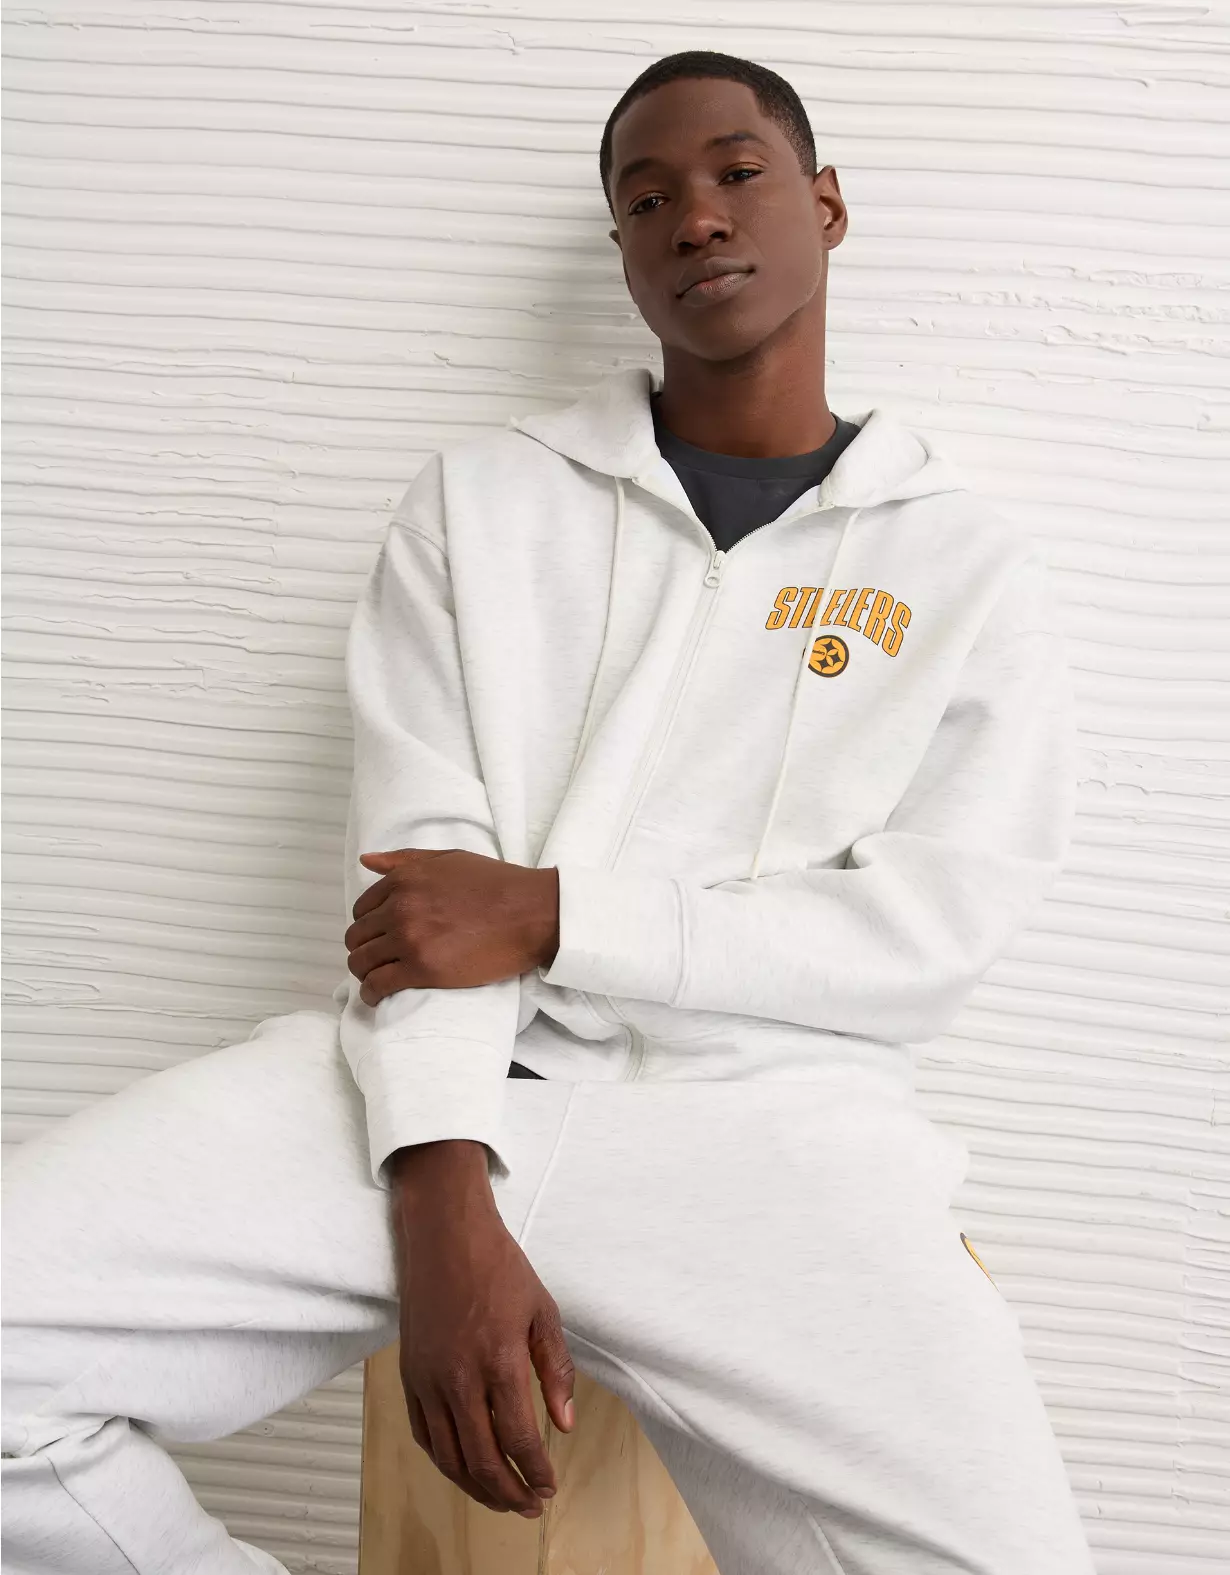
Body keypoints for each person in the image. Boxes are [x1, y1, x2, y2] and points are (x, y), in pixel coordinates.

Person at [1, 50, 1098, 1575]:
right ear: (623, 251)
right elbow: (424, 894)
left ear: (827, 204)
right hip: (443, 1080)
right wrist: (440, 1180)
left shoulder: (959, 559)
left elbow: (929, 930)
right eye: (644, 199)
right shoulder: (482, 503)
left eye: (735, 173)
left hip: (771, 1125)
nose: (693, 217)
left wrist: (557, 913)